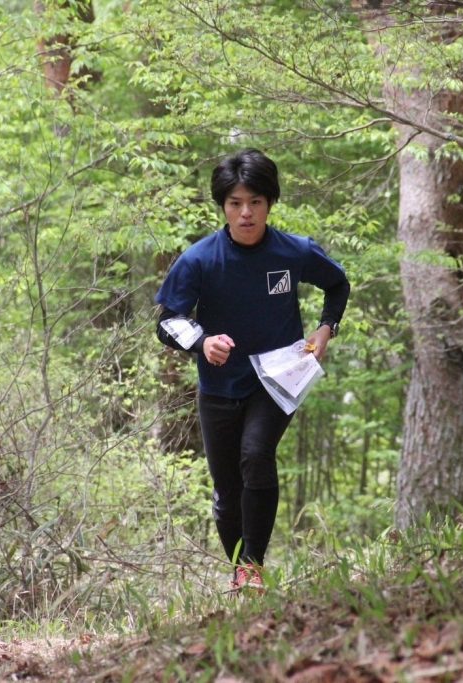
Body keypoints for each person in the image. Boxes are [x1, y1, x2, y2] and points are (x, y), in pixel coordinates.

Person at [155, 149, 350, 591]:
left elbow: (338, 284)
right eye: (236, 203)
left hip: (278, 378)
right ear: (223, 206)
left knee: (256, 455)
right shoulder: (199, 260)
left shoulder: (294, 251)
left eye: (256, 202)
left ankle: (253, 567)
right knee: (227, 492)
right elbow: (168, 321)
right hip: (220, 386)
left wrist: (325, 330)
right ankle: (243, 571)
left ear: (270, 203)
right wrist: (203, 341)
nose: (246, 213)